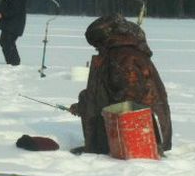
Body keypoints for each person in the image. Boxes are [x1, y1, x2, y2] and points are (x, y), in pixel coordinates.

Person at [69, 13, 172, 154]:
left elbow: (129, 102)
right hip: (143, 129)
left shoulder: (123, 56)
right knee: (86, 97)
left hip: (138, 135)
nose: (97, 49)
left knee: (87, 98)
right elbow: (108, 91)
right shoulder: (124, 52)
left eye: (97, 45)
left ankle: (104, 147)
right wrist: (84, 106)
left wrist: (89, 106)